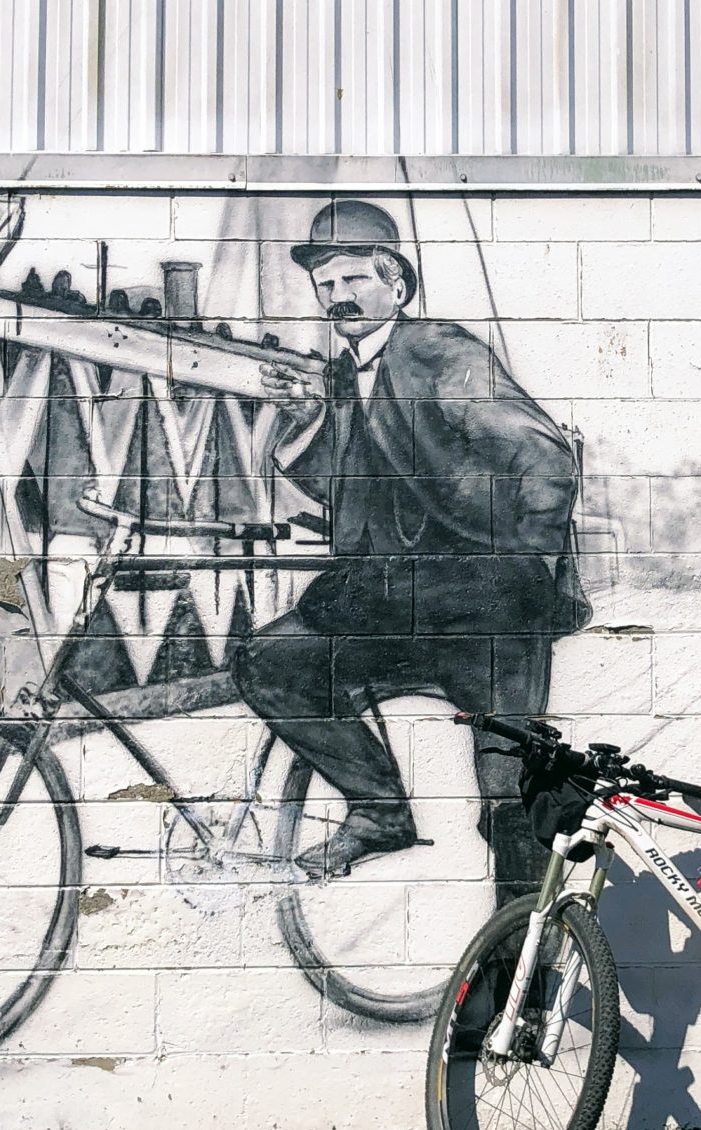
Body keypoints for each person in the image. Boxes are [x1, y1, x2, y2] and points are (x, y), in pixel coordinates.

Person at [245, 199, 584, 897]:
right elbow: (355, 491)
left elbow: (545, 459)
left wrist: (525, 576)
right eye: (326, 286)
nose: (338, 297)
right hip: (396, 601)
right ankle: (377, 810)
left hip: (485, 615)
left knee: (510, 809)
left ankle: (521, 983)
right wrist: (309, 421)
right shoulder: (345, 377)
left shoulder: (438, 352)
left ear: (396, 285)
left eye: (354, 281)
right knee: (270, 661)